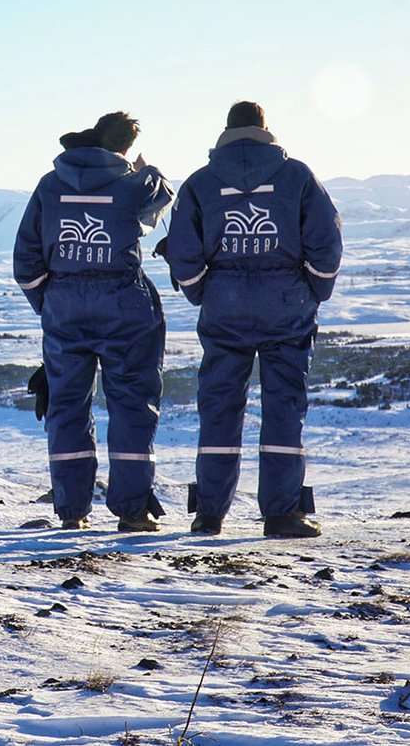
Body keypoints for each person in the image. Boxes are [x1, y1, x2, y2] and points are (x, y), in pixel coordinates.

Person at [164, 101, 342, 538]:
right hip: (287, 306)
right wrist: (311, 291)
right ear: (266, 130)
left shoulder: (201, 183)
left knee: (219, 405)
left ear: (226, 130)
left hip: (223, 306)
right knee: (284, 405)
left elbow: (183, 252)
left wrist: (203, 291)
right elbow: (326, 243)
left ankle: (209, 513)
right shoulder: (297, 176)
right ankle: (281, 513)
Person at [13, 111, 174, 532]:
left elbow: (26, 262)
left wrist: (49, 304)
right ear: (124, 148)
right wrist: (146, 169)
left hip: (64, 306)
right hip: (124, 305)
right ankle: (133, 510)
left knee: (66, 407)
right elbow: (163, 195)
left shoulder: (50, 186)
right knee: (132, 405)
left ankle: (72, 511)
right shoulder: (132, 183)